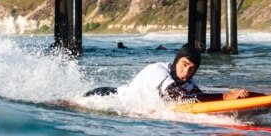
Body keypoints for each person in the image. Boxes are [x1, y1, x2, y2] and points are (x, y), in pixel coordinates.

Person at [85, 44, 249, 102]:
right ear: (176, 60)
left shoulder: (186, 81)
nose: (186, 72)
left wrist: (229, 94)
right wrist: (226, 97)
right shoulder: (159, 71)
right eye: (184, 65)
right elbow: (178, 97)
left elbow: (200, 96)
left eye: (192, 69)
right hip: (106, 97)